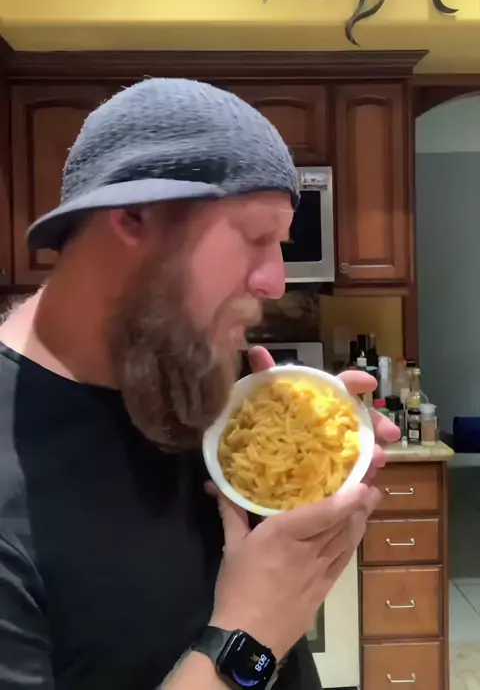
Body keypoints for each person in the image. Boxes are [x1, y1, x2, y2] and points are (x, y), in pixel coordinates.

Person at [0, 79, 399, 690]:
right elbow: (252, 624)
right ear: (133, 217)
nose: (275, 282)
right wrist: (252, 633)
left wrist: (301, 484)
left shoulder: (186, 367)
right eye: (256, 237)